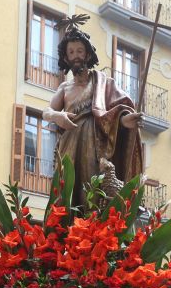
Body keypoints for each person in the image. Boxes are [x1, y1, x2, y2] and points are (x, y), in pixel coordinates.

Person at [43, 15, 143, 192]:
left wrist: (125, 120)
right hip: (69, 143)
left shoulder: (104, 83)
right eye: (71, 52)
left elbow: (116, 110)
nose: (76, 56)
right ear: (65, 58)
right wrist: (58, 116)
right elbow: (47, 111)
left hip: (95, 144)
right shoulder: (65, 88)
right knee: (67, 191)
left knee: (92, 191)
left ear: (88, 54)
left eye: (79, 51)